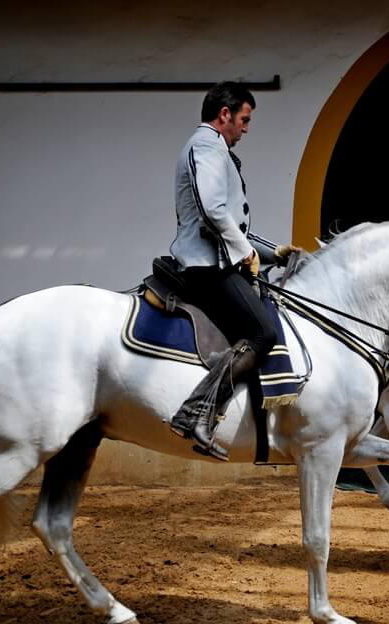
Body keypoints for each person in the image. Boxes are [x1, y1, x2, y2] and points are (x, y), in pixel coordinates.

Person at [168, 81, 294, 460]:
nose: (246, 127)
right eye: (244, 119)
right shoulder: (207, 144)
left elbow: (232, 226)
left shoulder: (214, 148)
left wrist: (276, 253)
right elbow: (212, 211)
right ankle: (196, 412)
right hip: (207, 266)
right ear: (224, 115)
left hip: (218, 258)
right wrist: (245, 255)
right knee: (262, 332)